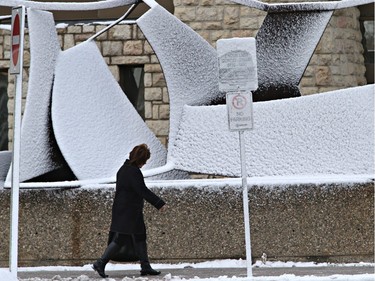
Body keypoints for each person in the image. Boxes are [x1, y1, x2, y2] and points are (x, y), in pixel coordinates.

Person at [93, 144, 166, 278]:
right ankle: (100, 263)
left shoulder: (123, 169)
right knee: (120, 238)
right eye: (144, 160)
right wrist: (159, 203)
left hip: (126, 210)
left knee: (140, 236)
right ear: (140, 160)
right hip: (128, 212)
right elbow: (142, 190)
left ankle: (145, 266)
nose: (144, 163)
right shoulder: (133, 172)